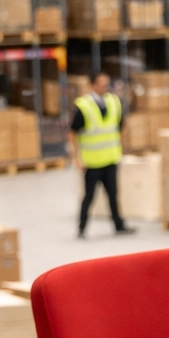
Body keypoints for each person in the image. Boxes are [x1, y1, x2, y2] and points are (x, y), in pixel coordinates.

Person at [68, 72, 135, 239]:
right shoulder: (84, 106)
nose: (106, 87)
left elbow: (119, 127)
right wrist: (75, 157)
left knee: (113, 194)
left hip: (111, 158)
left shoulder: (114, 102)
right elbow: (72, 133)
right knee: (89, 196)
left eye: (107, 83)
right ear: (92, 85)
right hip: (92, 162)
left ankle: (119, 225)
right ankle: (82, 228)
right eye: (102, 84)